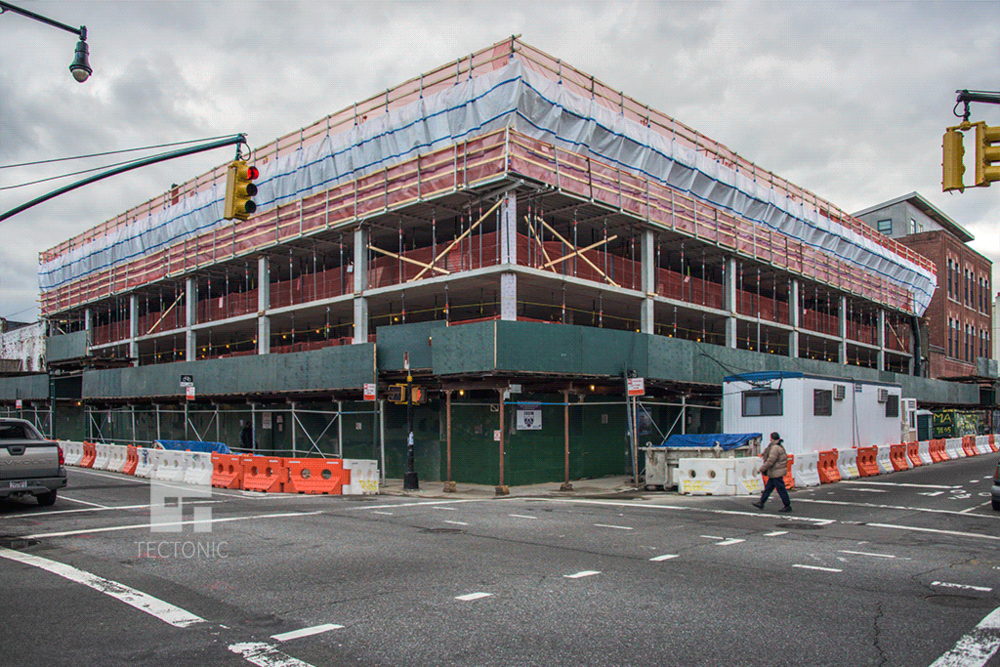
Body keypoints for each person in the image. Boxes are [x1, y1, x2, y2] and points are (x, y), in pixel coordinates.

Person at [753, 432, 791, 512]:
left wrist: (761, 469)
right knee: (768, 488)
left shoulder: (774, 448)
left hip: (776, 472)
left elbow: (770, 461)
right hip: (775, 472)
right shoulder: (779, 446)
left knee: (781, 490)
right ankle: (761, 502)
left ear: (771, 438)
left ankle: (787, 505)